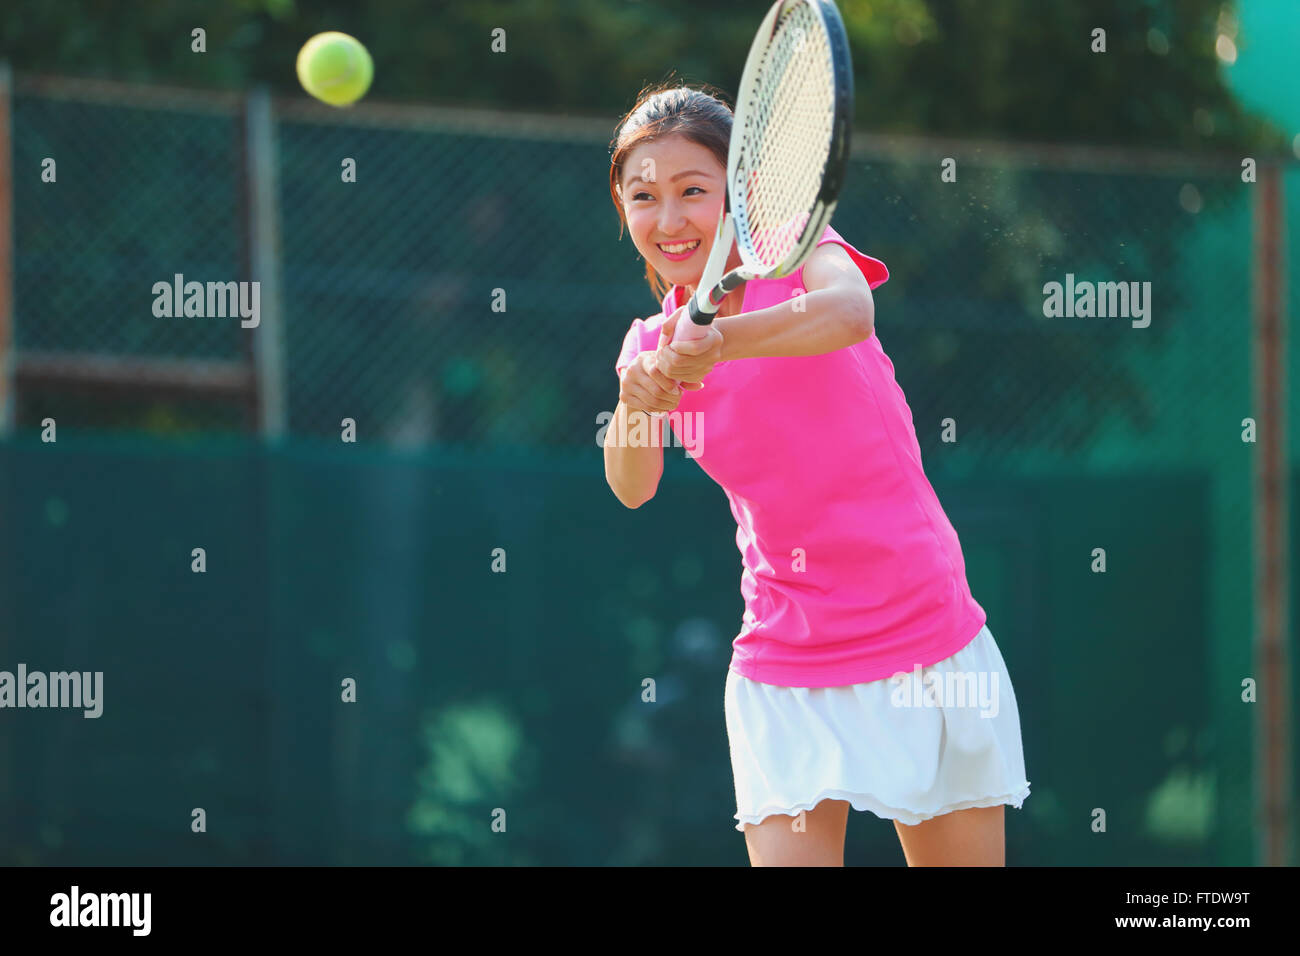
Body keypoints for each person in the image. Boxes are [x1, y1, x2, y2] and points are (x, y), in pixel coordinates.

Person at [603, 82, 1029, 866]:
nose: (668, 220)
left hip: (922, 630)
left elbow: (849, 313)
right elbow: (633, 484)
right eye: (643, 197)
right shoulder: (649, 344)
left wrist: (722, 342)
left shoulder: (804, 248)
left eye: (693, 192)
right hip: (783, 656)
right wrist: (638, 401)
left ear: (741, 193)